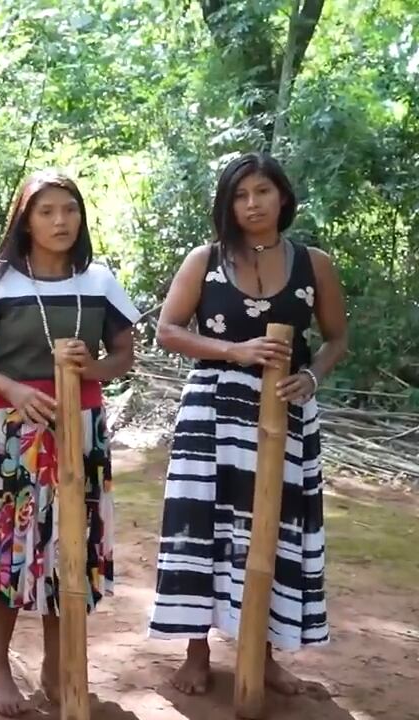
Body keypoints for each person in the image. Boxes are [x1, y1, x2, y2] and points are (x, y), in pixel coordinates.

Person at [148, 152, 347, 695]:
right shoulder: (205, 259)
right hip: (213, 409)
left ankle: (262, 652)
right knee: (204, 523)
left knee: (272, 528)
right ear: (227, 205)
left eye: (262, 191)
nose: (252, 204)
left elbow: (336, 338)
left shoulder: (314, 264)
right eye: (240, 195)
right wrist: (232, 351)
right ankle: (196, 652)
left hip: (286, 411)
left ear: (283, 197)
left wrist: (311, 376)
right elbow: (167, 331)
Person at [0, 170, 139, 716]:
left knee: (70, 552)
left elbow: (125, 354)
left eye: (70, 210)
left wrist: (94, 367)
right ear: (25, 220)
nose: (60, 221)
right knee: (7, 552)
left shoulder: (100, 280)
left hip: (82, 432)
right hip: (16, 434)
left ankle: (56, 667)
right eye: (46, 211)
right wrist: (11, 390)